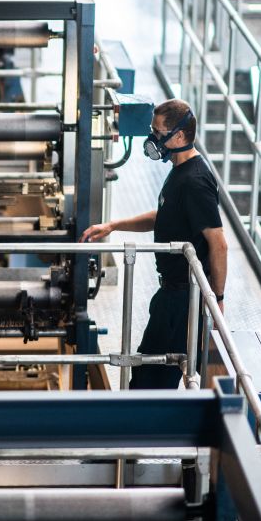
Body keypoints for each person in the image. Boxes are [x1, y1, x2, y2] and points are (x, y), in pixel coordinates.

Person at [81, 98, 227, 389]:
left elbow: (218, 243)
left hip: (185, 300)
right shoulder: (180, 172)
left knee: (153, 378)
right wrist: (113, 225)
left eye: (159, 133)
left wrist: (217, 300)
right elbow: (163, 216)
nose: (153, 139)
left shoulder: (196, 181)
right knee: (148, 370)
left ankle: (145, 430)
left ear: (181, 136)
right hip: (170, 295)